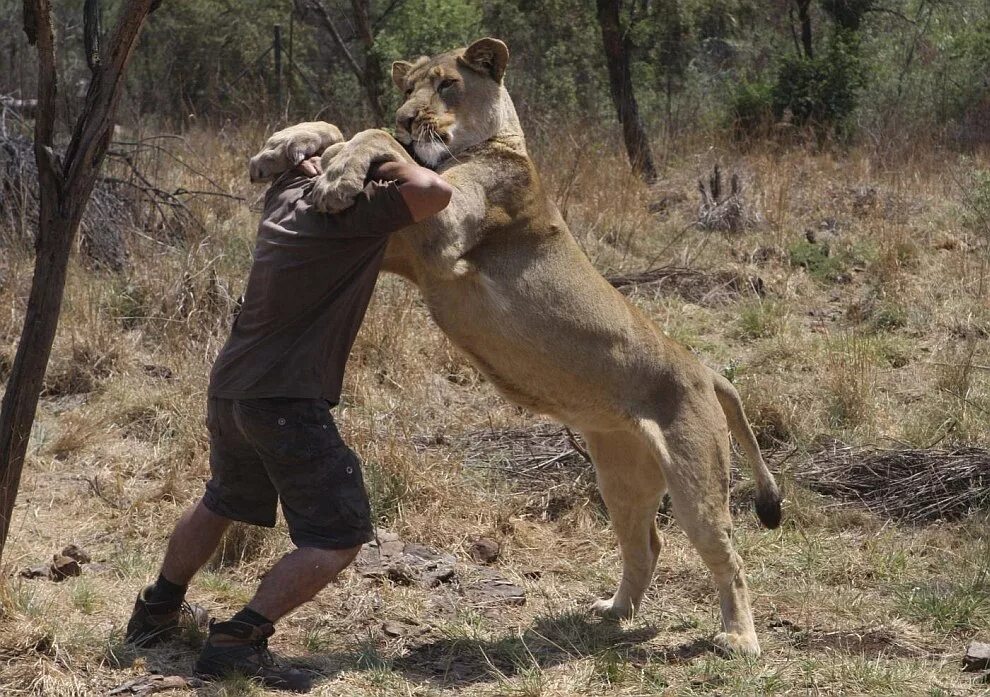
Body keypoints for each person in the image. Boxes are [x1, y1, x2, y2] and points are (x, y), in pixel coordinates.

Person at [124, 146, 452, 692]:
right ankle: (238, 641)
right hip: (286, 400)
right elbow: (434, 193)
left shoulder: (283, 197)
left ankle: (156, 611)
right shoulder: (351, 212)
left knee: (223, 499)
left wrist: (330, 159)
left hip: (232, 387)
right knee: (338, 535)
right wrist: (380, 152)